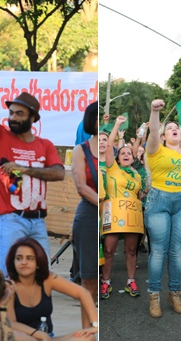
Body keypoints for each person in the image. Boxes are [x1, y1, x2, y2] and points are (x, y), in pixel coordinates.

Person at [0, 59, 65, 275]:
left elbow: (59, 173)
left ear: (33, 118)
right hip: (11, 219)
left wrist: (25, 169)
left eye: (19, 114)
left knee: (43, 276)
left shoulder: (45, 145)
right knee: (11, 275)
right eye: (11, 113)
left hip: (38, 221)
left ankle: (39, 310)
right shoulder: (0, 136)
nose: (12, 118)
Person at [144, 99, 181, 317]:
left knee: (177, 252)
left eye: (177, 128)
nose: (174, 129)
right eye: (170, 128)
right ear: (164, 136)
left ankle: (174, 293)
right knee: (158, 251)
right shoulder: (156, 149)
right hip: (159, 200)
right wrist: (154, 112)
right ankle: (154, 295)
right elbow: (154, 132)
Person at [5, 237, 98, 340]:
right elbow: (10, 324)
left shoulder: (48, 279)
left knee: (88, 338)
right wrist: (37, 334)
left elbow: (83, 293)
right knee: (13, 336)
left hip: (48, 338)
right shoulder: (8, 286)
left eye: (30, 258)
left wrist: (94, 325)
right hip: (23, 338)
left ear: (38, 262)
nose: (24, 262)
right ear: (12, 262)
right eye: (19, 258)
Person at [101, 115, 144, 300]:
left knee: (131, 250)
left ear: (133, 157)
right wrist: (117, 124)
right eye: (123, 153)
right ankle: (106, 282)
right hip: (113, 215)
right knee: (109, 250)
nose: (126, 155)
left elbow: (139, 195)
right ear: (117, 158)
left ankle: (130, 281)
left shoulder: (137, 176)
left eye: (129, 153)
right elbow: (109, 147)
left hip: (131, 217)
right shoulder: (113, 169)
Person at [71, 102, 99, 302]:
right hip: (90, 214)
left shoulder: (114, 151)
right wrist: (103, 204)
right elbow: (81, 186)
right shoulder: (81, 150)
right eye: (100, 117)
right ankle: (90, 328)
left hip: (113, 216)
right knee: (89, 277)